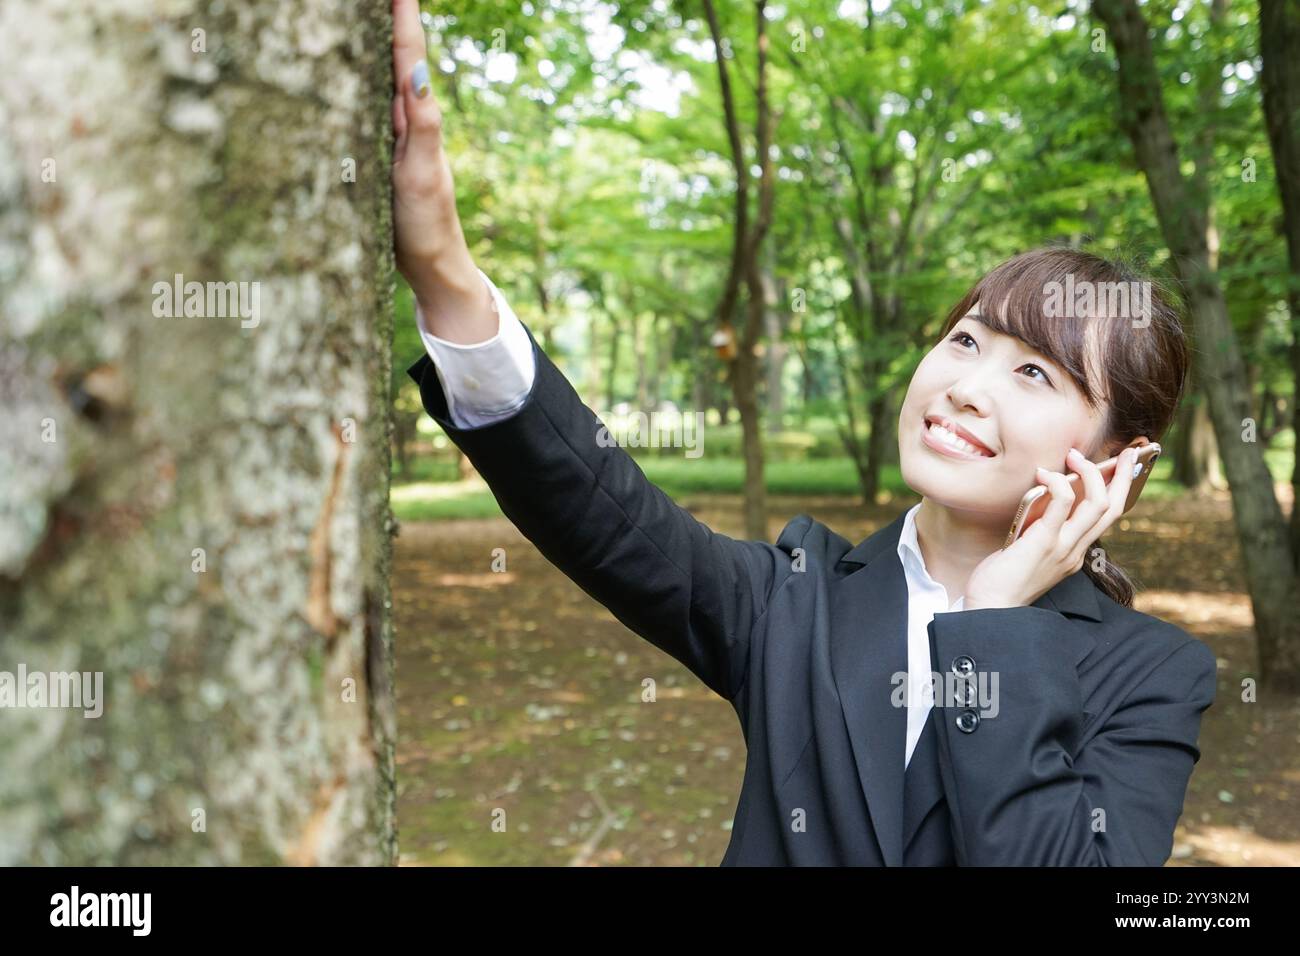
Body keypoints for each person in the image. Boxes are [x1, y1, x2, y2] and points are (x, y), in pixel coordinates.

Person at [389, 0, 1217, 865]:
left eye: (1034, 372)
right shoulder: (794, 598)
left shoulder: (1153, 675)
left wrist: (995, 621)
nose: (967, 387)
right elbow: (596, 503)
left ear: (1122, 462)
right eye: (965, 340)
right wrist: (444, 269)